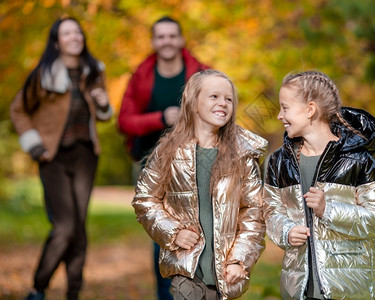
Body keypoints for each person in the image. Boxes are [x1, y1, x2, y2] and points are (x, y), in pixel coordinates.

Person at [132, 69, 267, 300]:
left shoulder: (243, 157)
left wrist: (239, 260)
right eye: (214, 97)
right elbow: (145, 199)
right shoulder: (169, 152)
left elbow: (254, 213)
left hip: (225, 273)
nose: (223, 103)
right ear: (193, 103)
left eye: (229, 99)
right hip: (186, 270)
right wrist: (174, 233)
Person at [263, 71, 375, 300]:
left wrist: (327, 210)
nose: (279, 116)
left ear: (310, 110)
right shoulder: (279, 161)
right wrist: (286, 230)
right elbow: (271, 211)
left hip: (346, 290)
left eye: (285, 108)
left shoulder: (357, 160)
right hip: (298, 288)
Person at [10, 17, 112, 300]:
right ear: (57, 42)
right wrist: (34, 146)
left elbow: (102, 113)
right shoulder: (43, 74)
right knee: (65, 227)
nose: (74, 36)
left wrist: (103, 104)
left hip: (85, 156)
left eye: (77, 32)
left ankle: (73, 294)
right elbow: (18, 110)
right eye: (67, 33)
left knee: (79, 228)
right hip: (52, 157)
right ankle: (38, 289)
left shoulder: (94, 71)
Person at [117, 16, 209, 299]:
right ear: (154, 42)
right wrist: (160, 118)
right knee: (165, 232)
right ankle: (166, 294)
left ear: (181, 40)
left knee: (200, 228)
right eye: (161, 36)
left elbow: (218, 110)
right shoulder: (142, 75)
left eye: (172, 36)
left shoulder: (200, 72)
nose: (167, 41)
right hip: (154, 166)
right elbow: (125, 121)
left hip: (196, 160)